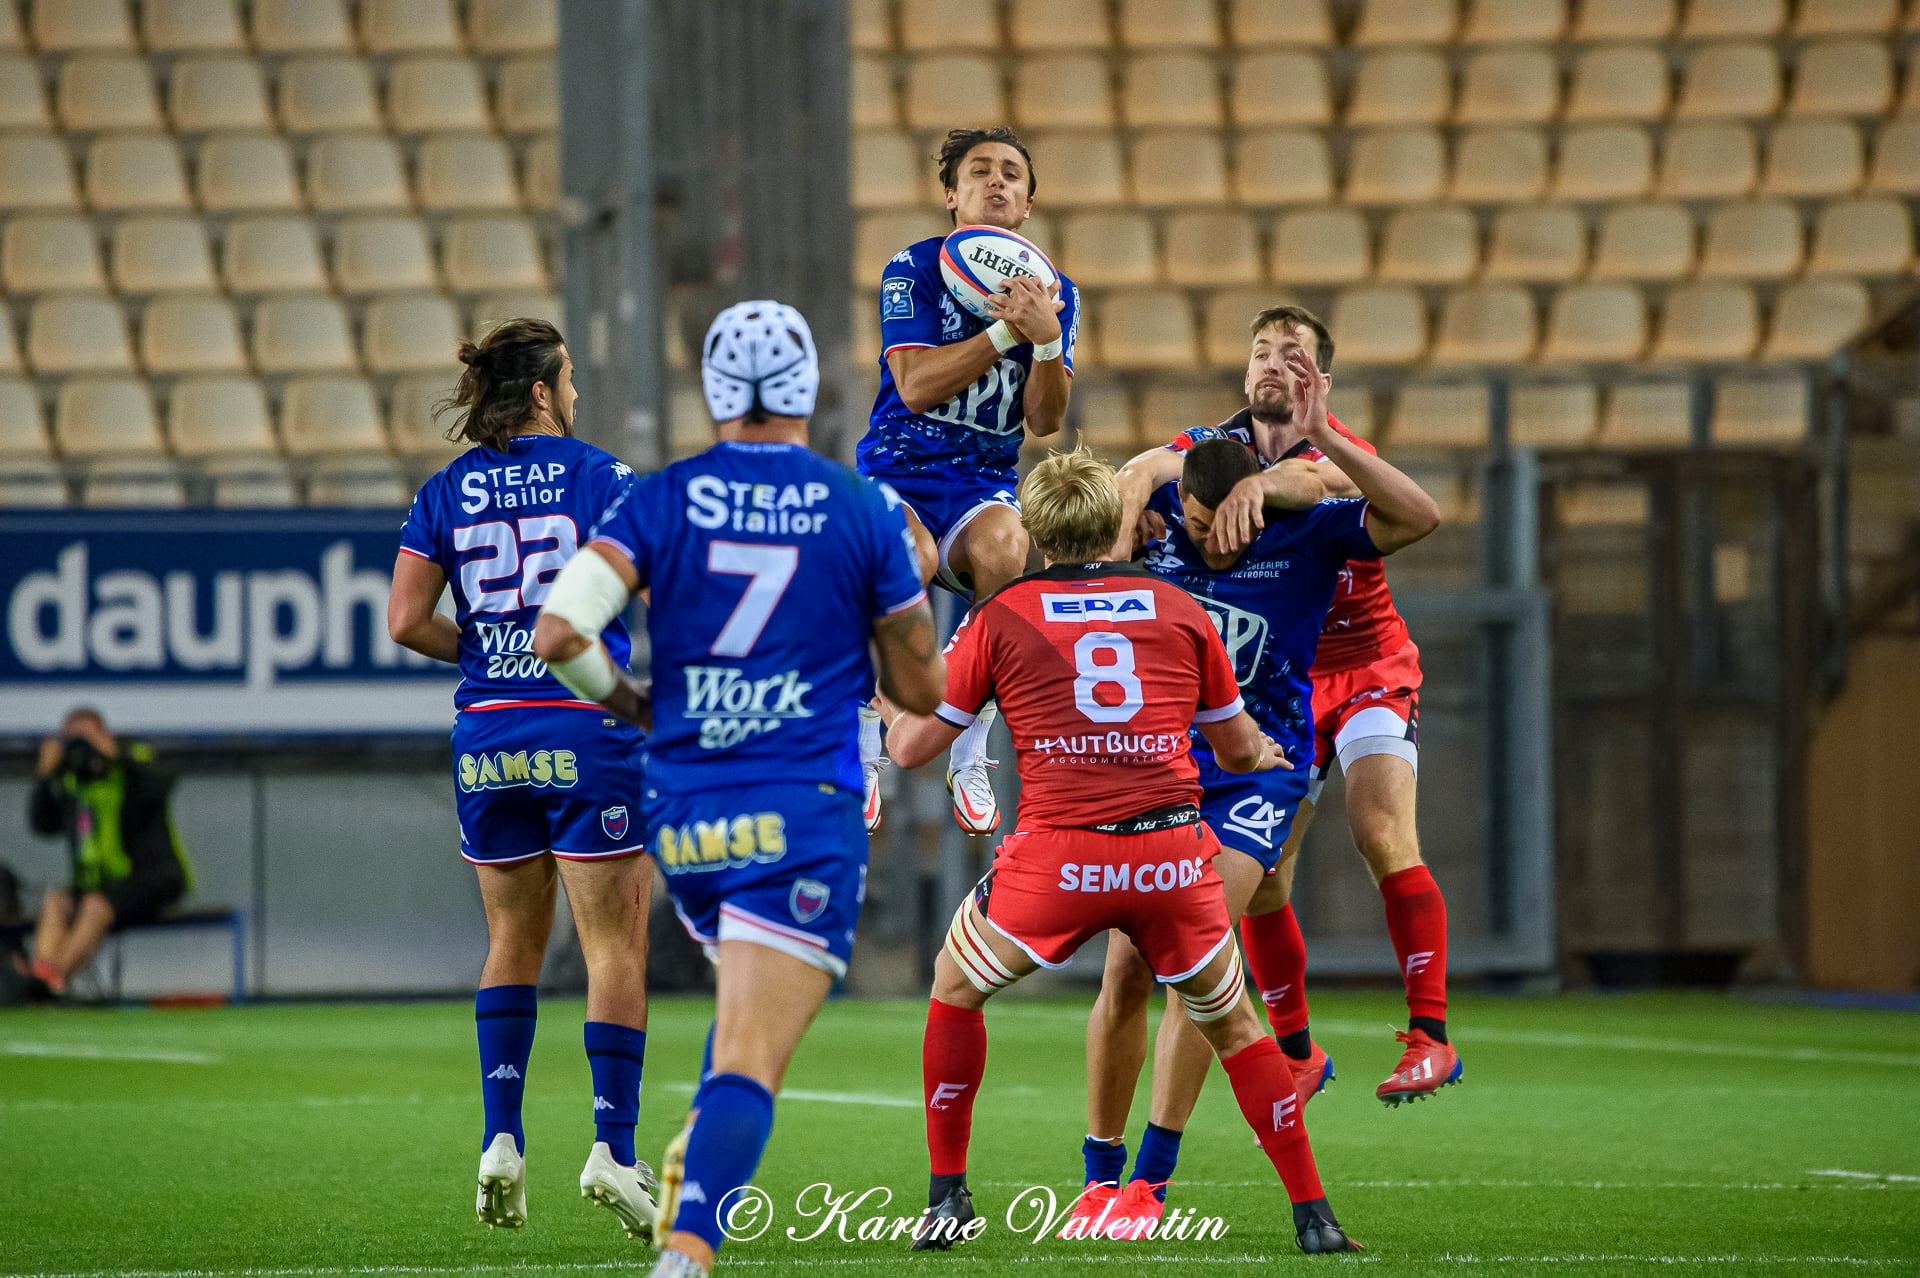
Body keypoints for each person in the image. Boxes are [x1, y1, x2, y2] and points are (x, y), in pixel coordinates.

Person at [532, 300, 945, 1278]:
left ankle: (692, 1154)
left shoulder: (661, 498)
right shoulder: (858, 507)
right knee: (755, 1056)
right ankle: (687, 1254)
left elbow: (557, 634)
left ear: (715, 391)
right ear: (809, 386)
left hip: (686, 814)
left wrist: (631, 703)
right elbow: (921, 686)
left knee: (740, 1010)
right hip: (802, 806)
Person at [880, 448, 1360, 1256]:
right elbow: (1239, 750)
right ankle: (1315, 1216)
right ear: (1118, 523)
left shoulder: (1001, 617)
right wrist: (1269, 761)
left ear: (1032, 530)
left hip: (1059, 864)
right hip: (1171, 861)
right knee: (1239, 1029)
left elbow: (916, 748)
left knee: (955, 986)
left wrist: (889, 702)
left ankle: (948, 1197)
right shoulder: (1178, 608)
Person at [1071, 359, 1442, 1234]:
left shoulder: (1311, 534)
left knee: (1194, 960)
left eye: (1218, 520)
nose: (1205, 539)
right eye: (1194, 522)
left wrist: (1316, 445)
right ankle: (1098, 1175)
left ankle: (1150, 1187)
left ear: (1252, 500)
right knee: (1124, 970)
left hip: (1260, 777)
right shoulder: (1160, 532)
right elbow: (1124, 503)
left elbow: (1418, 515)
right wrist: (1141, 480)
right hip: (1162, 773)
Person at [1111, 305, 1463, 1107]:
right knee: (1267, 882)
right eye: (1261, 350)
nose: (1274, 363)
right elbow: (1143, 470)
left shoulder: (1339, 454)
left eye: (1293, 354)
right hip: (1280, 688)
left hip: (1366, 666)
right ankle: (1300, 1050)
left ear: (1321, 381)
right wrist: (1135, 489)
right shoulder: (1210, 448)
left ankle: (1430, 1035)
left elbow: (1320, 481)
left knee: (1380, 830)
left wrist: (1253, 485)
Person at [386, 318, 657, 1237]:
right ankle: (614, 1151)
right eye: (570, 378)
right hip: (587, 726)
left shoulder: (445, 490)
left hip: (490, 735)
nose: (576, 393)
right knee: (615, 947)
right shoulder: (600, 476)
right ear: (543, 391)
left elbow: (404, 620)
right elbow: (662, 593)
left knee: (512, 941)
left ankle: (502, 1137)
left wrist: (495, 653)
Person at [855, 125, 1079, 837]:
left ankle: (970, 746)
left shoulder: (1057, 292)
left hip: (980, 483)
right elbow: (916, 386)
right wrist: (1009, 334)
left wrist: (1045, 337)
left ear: (1028, 206)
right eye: (979, 171)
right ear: (952, 195)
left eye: (1012, 173)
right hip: (896, 471)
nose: (997, 182)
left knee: (1009, 547)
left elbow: (1043, 421)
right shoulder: (912, 267)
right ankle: (865, 738)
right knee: (906, 558)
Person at [23, 708, 191, 998]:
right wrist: (45, 774)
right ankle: (45, 974)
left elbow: (161, 784)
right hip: (99, 886)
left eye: (87, 737)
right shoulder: (72, 784)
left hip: (151, 878)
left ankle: (49, 981)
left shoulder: (131, 766)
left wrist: (114, 756)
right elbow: (42, 824)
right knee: (56, 902)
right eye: (73, 739)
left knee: (95, 906)